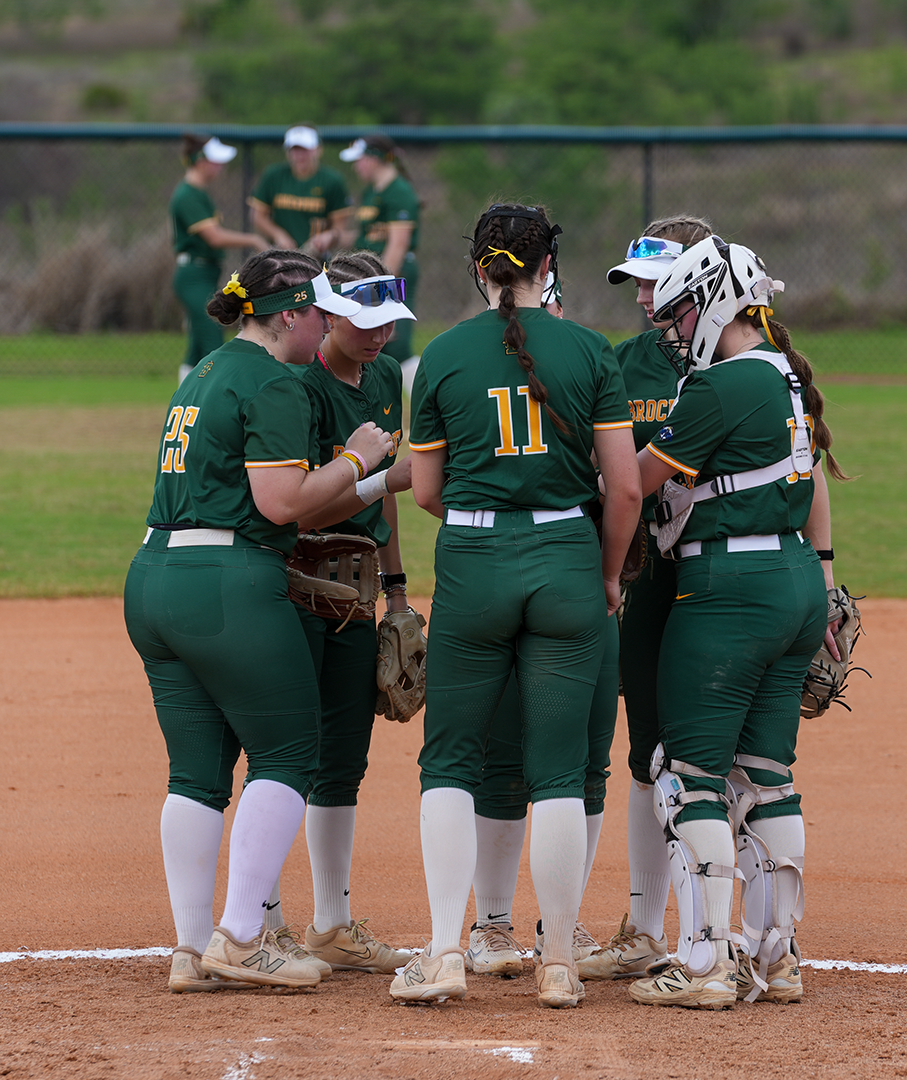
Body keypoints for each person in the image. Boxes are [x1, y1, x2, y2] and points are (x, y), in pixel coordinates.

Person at [389, 203, 641, 1009]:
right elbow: (626, 488)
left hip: (474, 559)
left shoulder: (442, 357)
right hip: (568, 553)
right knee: (563, 770)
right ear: (548, 269)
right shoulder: (591, 351)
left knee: (451, 761)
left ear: (477, 268)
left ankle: (445, 951)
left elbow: (425, 489)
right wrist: (604, 575)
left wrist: (483, 522)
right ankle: (560, 960)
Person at [125, 247, 396, 994]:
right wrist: (357, 457)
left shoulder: (208, 371)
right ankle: (242, 934)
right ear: (288, 318)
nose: (328, 322)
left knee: (197, 772)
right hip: (227, 580)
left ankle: (190, 948)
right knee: (289, 754)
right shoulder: (275, 380)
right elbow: (282, 504)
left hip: (153, 576)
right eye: (318, 311)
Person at [627, 238, 847, 1010]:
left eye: (681, 307)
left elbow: (639, 481)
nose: (670, 323)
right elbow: (811, 475)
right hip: (791, 578)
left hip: (729, 585)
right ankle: (776, 959)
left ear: (717, 299)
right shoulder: (786, 373)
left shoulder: (719, 384)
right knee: (766, 777)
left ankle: (708, 962)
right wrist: (823, 573)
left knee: (686, 777)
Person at [574, 217, 719, 983]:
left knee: (708, 750)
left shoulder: (737, 363)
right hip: (646, 580)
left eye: (660, 284)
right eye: (638, 285)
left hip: (720, 577)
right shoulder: (617, 367)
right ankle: (643, 924)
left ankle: (724, 929)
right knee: (643, 751)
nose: (646, 301)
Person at [289, 250, 421, 975]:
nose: (379, 338)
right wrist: (376, 477)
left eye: (388, 324)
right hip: (301, 587)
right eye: (365, 324)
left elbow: (390, 491)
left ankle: (330, 924)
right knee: (283, 755)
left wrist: (398, 588)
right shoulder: (302, 388)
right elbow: (303, 506)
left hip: (359, 589)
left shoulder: (381, 382)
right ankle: (266, 920)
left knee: (343, 760)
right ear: (328, 312)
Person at [170, 134, 267, 383]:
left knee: (196, 344)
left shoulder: (199, 193)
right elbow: (213, 237)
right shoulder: (188, 194)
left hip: (204, 274)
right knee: (211, 340)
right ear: (201, 161)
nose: (221, 167)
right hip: (194, 275)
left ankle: (184, 402)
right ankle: (208, 399)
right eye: (216, 161)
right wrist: (253, 240)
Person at [339, 134, 420, 364]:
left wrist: (382, 290)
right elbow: (368, 235)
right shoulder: (371, 191)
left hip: (393, 273)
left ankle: (429, 399)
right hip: (370, 275)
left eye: (359, 160)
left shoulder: (399, 191)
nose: (356, 167)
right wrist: (335, 237)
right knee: (371, 346)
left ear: (374, 159)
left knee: (397, 349)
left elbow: (398, 244)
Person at [251, 125, 353, 258]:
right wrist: (278, 235)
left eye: (305, 150)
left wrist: (327, 237)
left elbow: (339, 226)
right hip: (280, 256)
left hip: (316, 258)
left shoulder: (332, 181)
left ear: (317, 150)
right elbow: (258, 216)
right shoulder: (274, 176)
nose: (299, 155)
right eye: (294, 150)